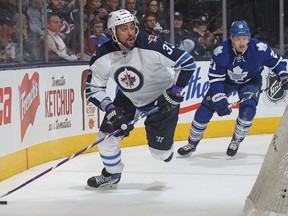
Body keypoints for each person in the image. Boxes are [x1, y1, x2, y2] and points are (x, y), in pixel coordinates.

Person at [85, 9, 196, 188]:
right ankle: (112, 174)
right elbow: (93, 90)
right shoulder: (102, 56)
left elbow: (187, 63)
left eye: (132, 27)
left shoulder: (151, 44)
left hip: (163, 99)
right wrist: (111, 110)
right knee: (105, 138)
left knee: (160, 154)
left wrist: (174, 93)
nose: (130, 33)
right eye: (124, 29)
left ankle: (164, 147)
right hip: (128, 98)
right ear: (113, 33)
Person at [177, 20, 288, 158]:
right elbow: (216, 78)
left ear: (249, 37)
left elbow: (277, 62)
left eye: (244, 38)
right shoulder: (221, 52)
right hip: (226, 82)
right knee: (204, 110)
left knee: (248, 109)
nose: (242, 42)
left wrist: (283, 74)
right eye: (238, 39)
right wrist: (219, 97)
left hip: (250, 81)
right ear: (231, 39)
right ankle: (192, 143)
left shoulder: (260, 49)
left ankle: (236, 140)